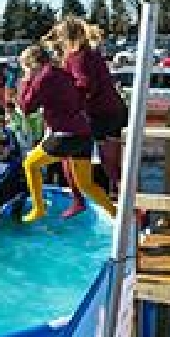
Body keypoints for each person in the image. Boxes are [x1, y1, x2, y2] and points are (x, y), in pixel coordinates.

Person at [17, 45, 116, 222]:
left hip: (65, 134)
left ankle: (38, 209)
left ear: (32, 64)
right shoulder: (61, 73)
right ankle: (117, 214)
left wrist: (26, 80)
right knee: (86, 185)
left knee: (30, 164)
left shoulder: (43, 77)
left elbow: (26, 107)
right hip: (84, 134)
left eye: (25, 67)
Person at [55, 17, 129, 202]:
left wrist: (70, 105)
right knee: (111, 164)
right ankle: (125, 199)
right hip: (111, 111)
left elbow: (86, 85)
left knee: (110, 164)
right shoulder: (89, 53)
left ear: (67, 38)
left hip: (104, 114)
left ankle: (128, 202)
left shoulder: (79, 56)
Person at [0, 135, 28, 222]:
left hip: (13, 202)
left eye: (3, 148)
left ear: (9, 148)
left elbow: (25, 190)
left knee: (16, 223)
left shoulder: (17, 165)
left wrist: (11, 203)